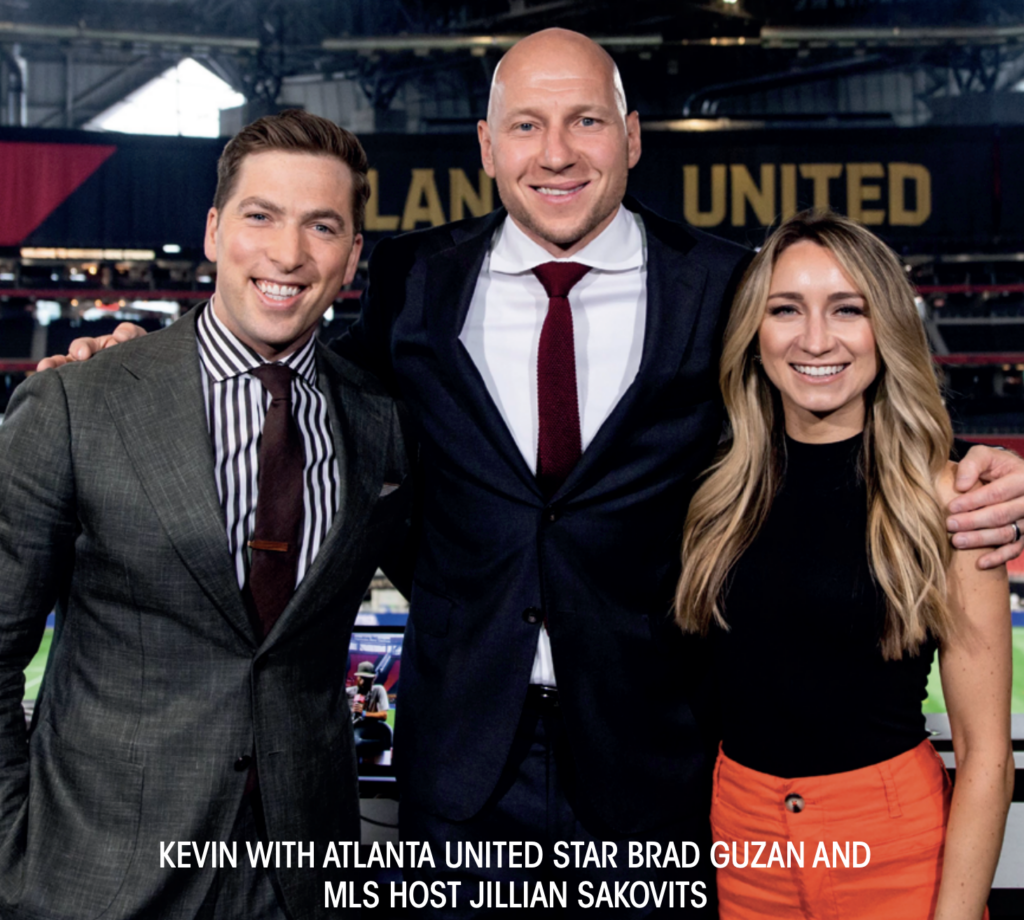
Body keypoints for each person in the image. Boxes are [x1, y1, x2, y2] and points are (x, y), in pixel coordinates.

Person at [38, 28, 1024, 916]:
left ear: (632, 137)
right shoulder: (412, 282)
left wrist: (962, 467)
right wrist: (135, 363)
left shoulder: (722, 282)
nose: (556, 153)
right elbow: (299, 382)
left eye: (585, 120)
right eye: (527, 125)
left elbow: (820, 395)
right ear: (486, 146)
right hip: (462, 758)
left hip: (656, 765)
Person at [1, 110, 410, 920]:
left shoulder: (379, 424)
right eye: (261, 216)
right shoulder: (79, 402)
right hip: (94, 880)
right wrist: (15, 850)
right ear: (216, 231)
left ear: (353, 256)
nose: (288, 254)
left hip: (300, 881)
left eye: (322, 226)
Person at [676, 210, 1014, 919]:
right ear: (755, 333)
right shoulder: (713, 493)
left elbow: (987, 758)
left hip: (897, 853)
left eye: (847, 309)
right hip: (744, 848)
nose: (816, 338)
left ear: (883, 329)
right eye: (786, 309)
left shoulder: (953, 500)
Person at [348, 660, 393, 759]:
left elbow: (384, 715)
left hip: (372, 725)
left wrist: (363, 713)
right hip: (356, 726)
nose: (363, 682)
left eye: (367, 679)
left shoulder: (378, 690)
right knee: (356, 742)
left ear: (373, 679)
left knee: (389, 733)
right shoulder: (349, 692)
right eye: (361, 678)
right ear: (357, 677)